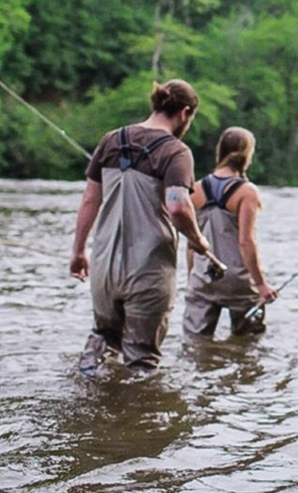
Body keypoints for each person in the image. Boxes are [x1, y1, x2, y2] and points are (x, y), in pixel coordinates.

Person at [70, 79, 212, 373]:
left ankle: (88, 403)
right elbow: (178, 206)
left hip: (104, 267)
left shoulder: (111, 140)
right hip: (148, 269)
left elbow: (88, 201)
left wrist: (78, 251)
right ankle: (135, 415)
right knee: (142, 363)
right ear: (185, 113)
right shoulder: (176, 152)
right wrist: (197, 239)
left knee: (102, 344)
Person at [183, 127, 278, 337]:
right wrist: (261, 284)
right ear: (247, 155)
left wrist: (192, 278)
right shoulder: (247, 192)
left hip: (204, 276)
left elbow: (192, 243)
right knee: (248, 348)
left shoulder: (195, 189)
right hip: (239, 281)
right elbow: (246, 241)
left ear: (221, 152)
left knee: (196, 345)